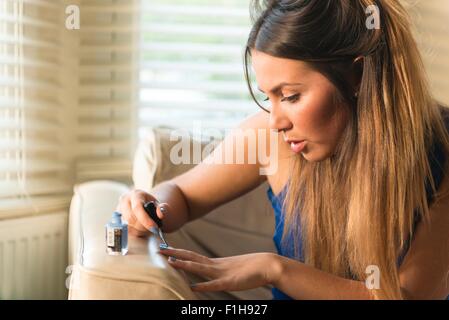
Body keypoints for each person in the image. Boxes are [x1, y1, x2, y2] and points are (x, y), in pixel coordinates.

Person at [116, 0, 449, 300]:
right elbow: (181, 196)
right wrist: (149, 204)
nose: (275, 121)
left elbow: (405, 296)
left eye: (290, 96)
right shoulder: (269, 138)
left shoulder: (442, 151)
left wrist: (275, 269)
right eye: (268, 97)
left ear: (358, 76)